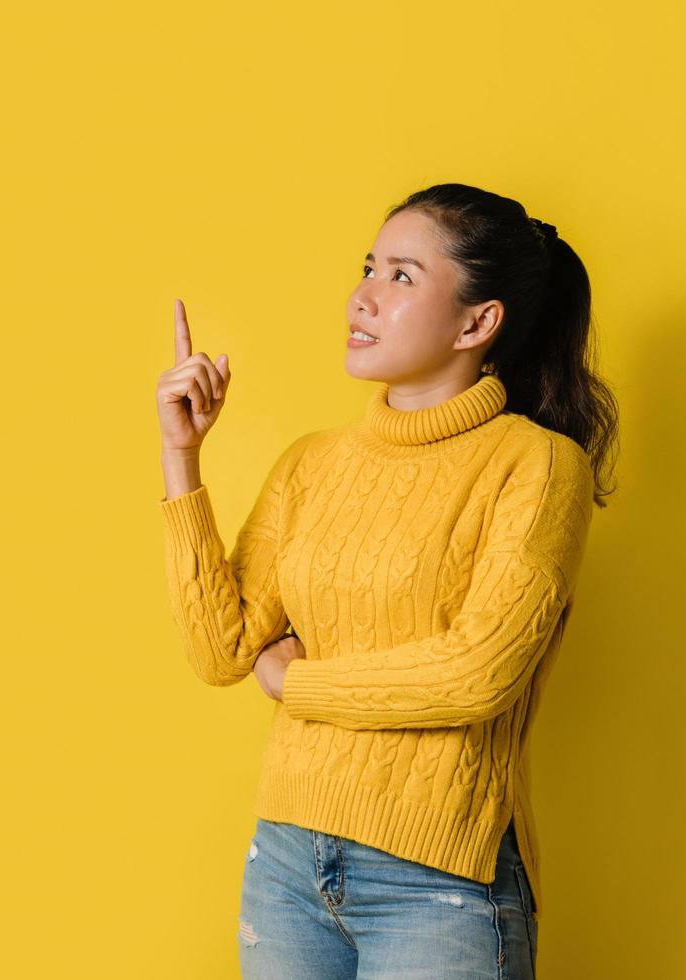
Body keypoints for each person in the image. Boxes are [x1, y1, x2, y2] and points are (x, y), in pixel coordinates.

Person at [154, 182, 619, 979]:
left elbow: (475, 674)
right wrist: (181, 457)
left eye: (401, 277)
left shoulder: (536, 465)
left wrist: (297, 683)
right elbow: (220, 649)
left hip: (436, 879)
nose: (361, 297)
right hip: (286, 863)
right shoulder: (312, 463)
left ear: (478, 322)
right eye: (368, 267)